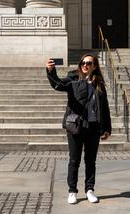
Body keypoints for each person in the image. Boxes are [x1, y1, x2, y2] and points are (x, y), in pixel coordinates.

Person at [46, 54, 112, 204]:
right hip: (76, 126)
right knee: (74, 160)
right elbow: (58, 85)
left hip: (93, 127)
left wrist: (107, 128)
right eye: (83, 62)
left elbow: (105, 108)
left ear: (94, 66)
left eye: (89, 63)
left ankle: (89, 190)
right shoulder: (73, 79)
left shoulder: (99, 83)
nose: (85, 65)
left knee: (90, 161)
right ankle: (72, 191)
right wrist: (51, 71)